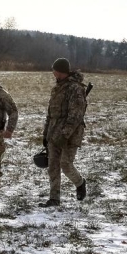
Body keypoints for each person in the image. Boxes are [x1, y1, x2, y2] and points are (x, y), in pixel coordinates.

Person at [40, 58, 87, 207]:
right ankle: (54, 198)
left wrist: (64, 134)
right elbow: (51, 113)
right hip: (54, 133)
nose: (53, 72)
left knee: (65, 164)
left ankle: (80, 183)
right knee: (53, 165)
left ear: (60, 71)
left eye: (54, 70)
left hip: (70, 134)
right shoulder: (57, 88)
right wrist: (46, 133)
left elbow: (76, 115)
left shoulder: (76, 88)